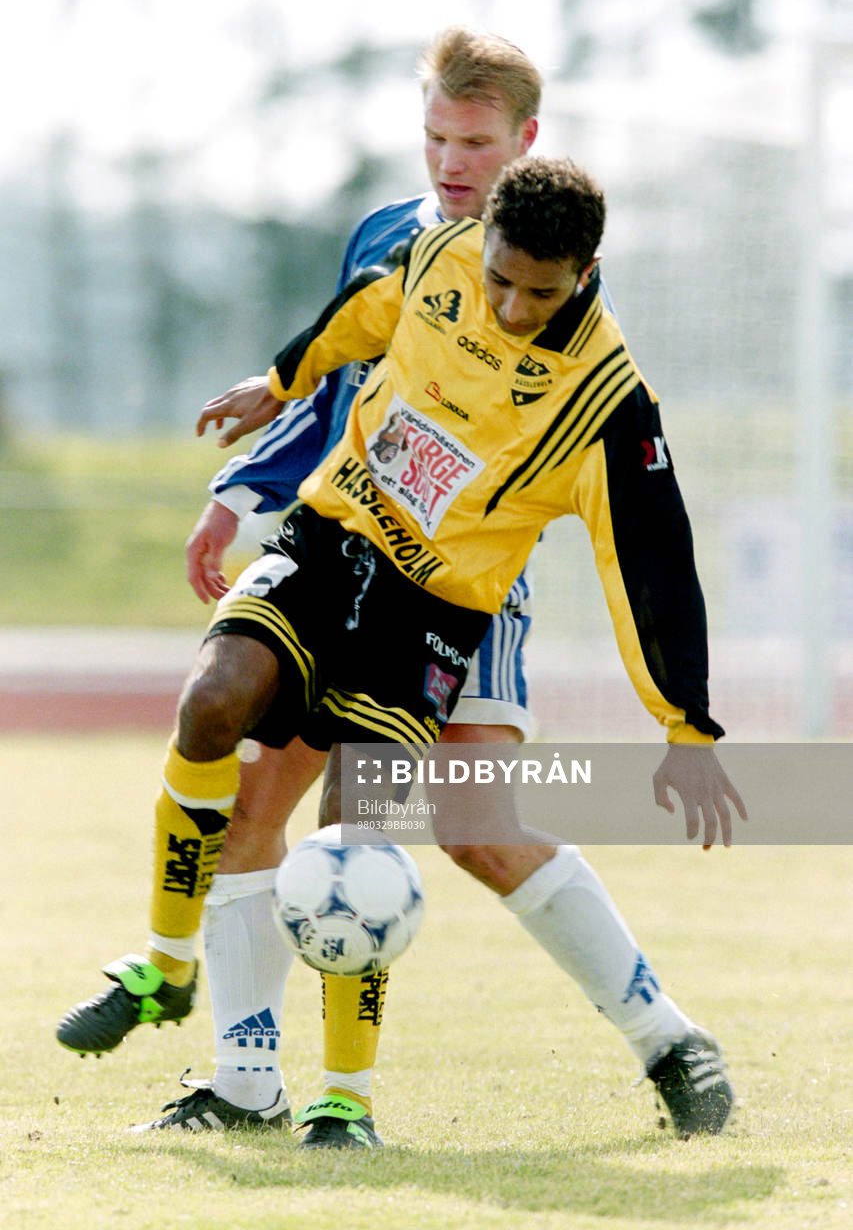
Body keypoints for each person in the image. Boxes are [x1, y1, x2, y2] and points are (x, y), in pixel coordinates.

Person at [61, 151, 745, 1148]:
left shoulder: (607, 402)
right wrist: (284, 376)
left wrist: (686, 724)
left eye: (538, 292)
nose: (509, 305)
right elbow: (364, 312)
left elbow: (650, 565)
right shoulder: (443, 257)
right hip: (328, 537)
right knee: (213, 703)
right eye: (501, 278)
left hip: (430, 613)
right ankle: (174, 974)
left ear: (587, 274)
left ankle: (345, 1098)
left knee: (361, 831)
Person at [57, 28, 550, 1126]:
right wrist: (236, 492)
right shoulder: (383, 236)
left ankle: (347, 1095)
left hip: (443, 592)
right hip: (331, 556)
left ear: (523, 142)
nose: (447, 160)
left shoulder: (545, 278)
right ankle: (214, 1033)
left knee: (387, 828)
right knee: (223, 731)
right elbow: (328, 391)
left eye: (472, 140)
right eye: (433, 135)